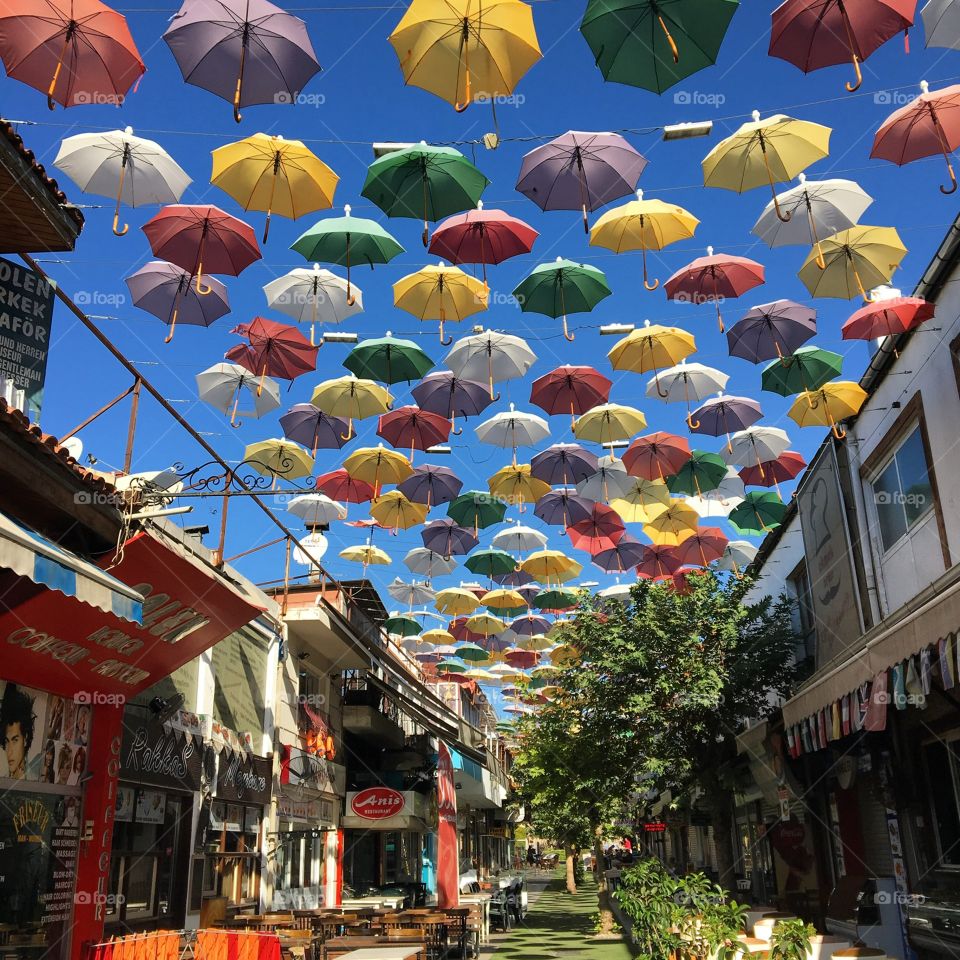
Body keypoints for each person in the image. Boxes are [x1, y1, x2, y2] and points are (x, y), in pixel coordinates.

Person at [0, 683, 36, 779]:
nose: (9, 752)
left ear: (25, 738)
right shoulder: (3, 781)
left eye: (15, 740)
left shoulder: (35, 782)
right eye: (7, 741)